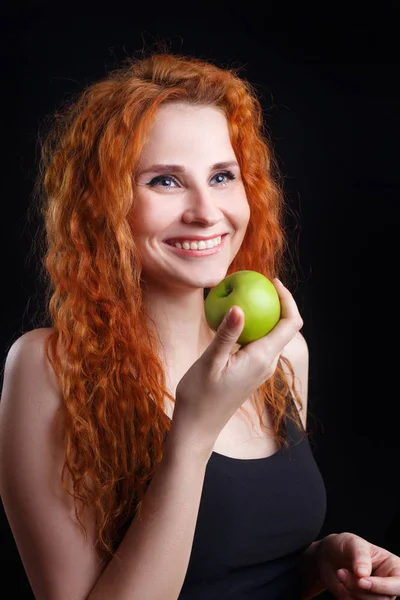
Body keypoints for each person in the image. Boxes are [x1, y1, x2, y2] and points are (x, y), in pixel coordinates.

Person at [0, 51, 398, 600]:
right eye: (165, 181)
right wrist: (191, 435)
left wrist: (319, 563)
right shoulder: (51, 368)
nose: (206, 211)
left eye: (222, 176)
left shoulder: (279, 356)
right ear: (105, 206)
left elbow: (237, 570)